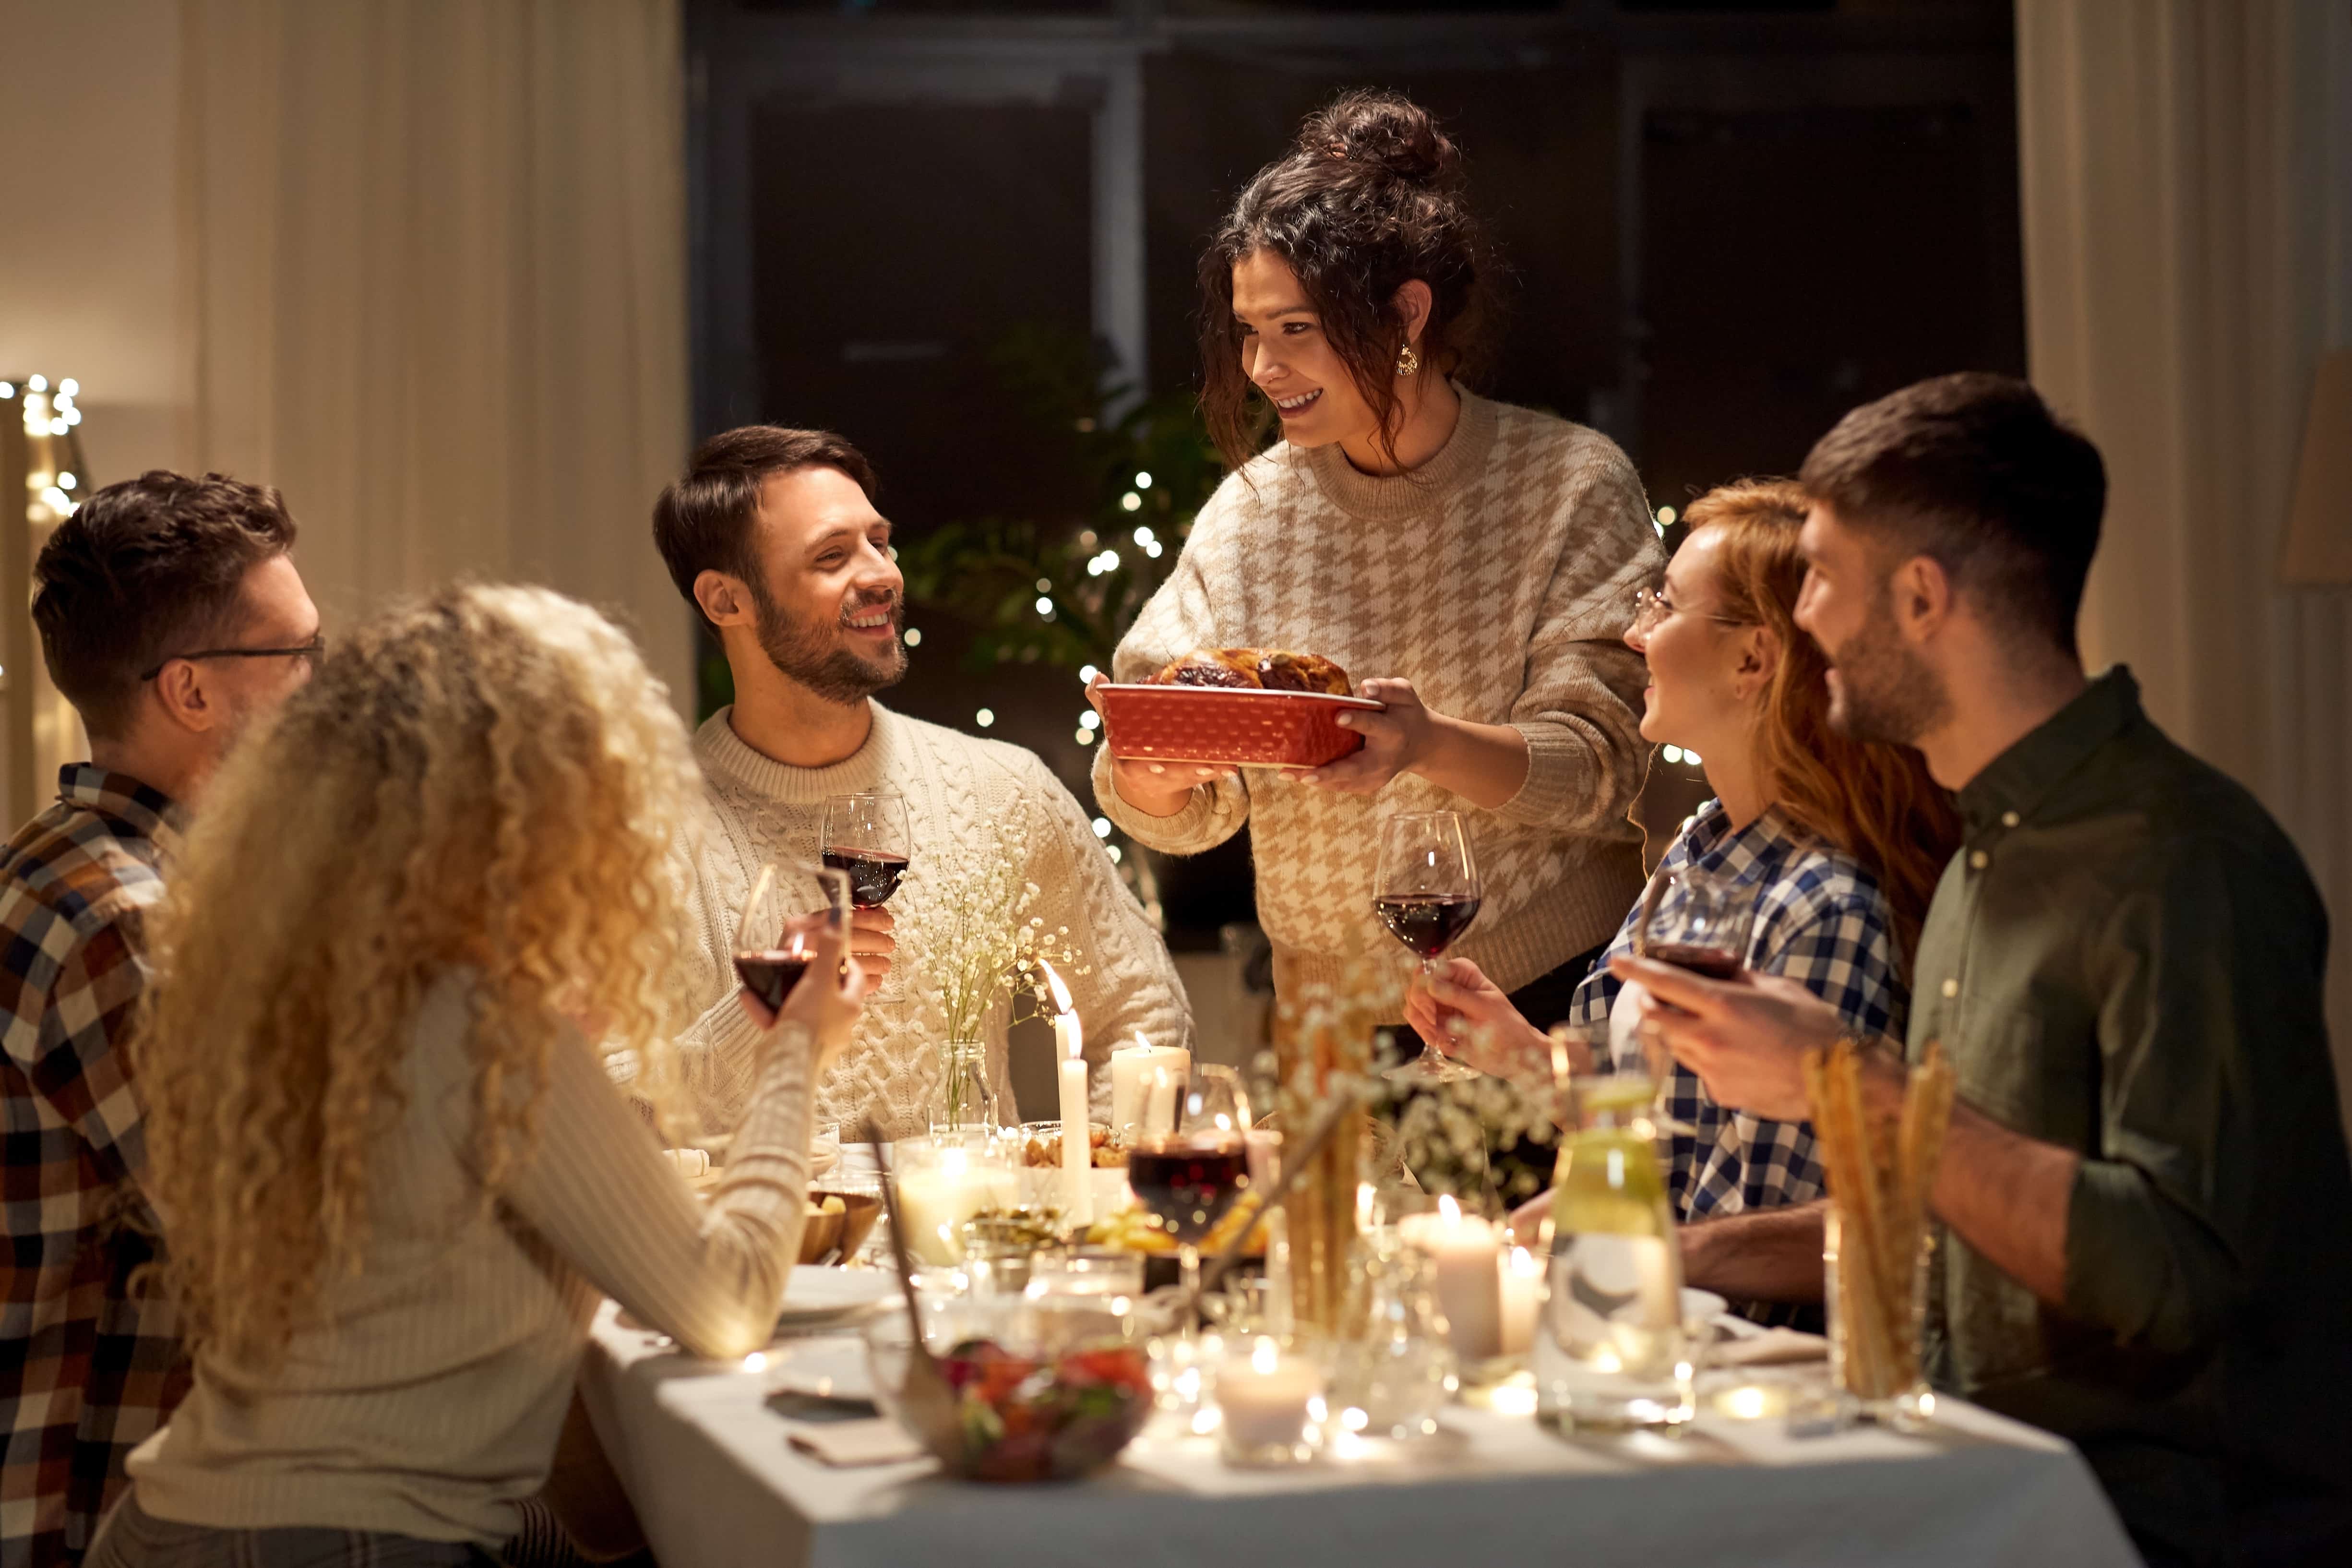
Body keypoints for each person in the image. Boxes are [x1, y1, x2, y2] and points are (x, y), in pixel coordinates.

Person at [1615, 374, 2352, 1565]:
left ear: (1920, 597)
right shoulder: (1979, 859)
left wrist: (1853, 1083)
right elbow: (1958, 1226)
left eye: (1822, 579)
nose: (1801, 621)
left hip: (2149, 1524)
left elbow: (2172, 1276)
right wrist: (1679, 1251)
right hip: (1975, 1472)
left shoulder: (2182, 860)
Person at [99, 584, 858, 1568]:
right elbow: (724, 1301)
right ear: (529, 807)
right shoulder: (480, 1019)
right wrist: (798, 1051)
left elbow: (501, 1209)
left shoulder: (316, 996)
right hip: (344, 1543)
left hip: (176, 1523)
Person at [1092, 90, 1660, 1047]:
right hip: (1333, 1026)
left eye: (1297, 329)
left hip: (1550, 997)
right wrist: (1158, 769)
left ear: (1406, 313)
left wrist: (1427, 742)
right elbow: (1163, 783)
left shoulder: (1568, 482)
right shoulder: (1251, 513)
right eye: (1248, 330)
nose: (1264, 367)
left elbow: (1603, 768)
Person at [1405, 481, 1958, 1304]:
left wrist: (1605, 1253)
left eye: (1661, 607)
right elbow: (1652, 1126)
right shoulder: (1700, 848)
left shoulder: (1823, 905)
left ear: (1752, 660)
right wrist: (1514, 1053)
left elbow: (1769, 1258)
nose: (1634, 635)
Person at [650, 426, 1189, 1140]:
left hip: (972, 1250)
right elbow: (579, 1106)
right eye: (832, 556)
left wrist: (1082, 1190)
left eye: (880, 540)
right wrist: (757, 1017)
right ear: (726, 602)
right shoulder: (634, 830)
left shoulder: (999, 790)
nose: (882, 574)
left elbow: (1142, 1012)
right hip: (761, 1251)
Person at [1, 473, 319, 1568]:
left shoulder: (73, 863)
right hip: (102, 1505)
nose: (323, 692)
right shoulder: (129, 923)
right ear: (191, 690)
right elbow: (295, 1251)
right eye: (300, 657)